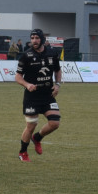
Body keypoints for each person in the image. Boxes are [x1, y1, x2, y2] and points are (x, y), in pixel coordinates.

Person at [14, 28, 62, 161]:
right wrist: (27, 85)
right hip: (32, 96)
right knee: (31, 125)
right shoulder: (26, 55)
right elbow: (18, 77)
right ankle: (23, 152)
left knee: (54, 123)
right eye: (32, 38)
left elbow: (58, 70)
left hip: (47, 94)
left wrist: (57, 84)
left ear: (42, 39)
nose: (34, 41)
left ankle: (37, 138)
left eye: (37, 38)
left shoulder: (52, 53)